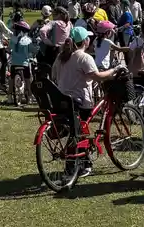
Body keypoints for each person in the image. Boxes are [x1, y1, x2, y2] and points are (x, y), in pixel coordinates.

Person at [53, 24, 128, 178]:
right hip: (80, 101)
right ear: (84, 41)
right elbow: (98, 77)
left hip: (61, 99)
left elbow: (54, 75)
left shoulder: (61, 57)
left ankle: (85, 162)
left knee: (80, 131)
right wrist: (114, 71)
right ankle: (74, 165)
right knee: (80, 132)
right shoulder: (84, 57)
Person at [9, 20, 35, 99]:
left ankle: (9, 96)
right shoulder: (28, 40)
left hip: (14, 63)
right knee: (28, 79)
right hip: (24, 63)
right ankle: (30, 95)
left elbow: (9, 48)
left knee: (11, 78)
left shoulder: (13, 39)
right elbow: (31, 51)